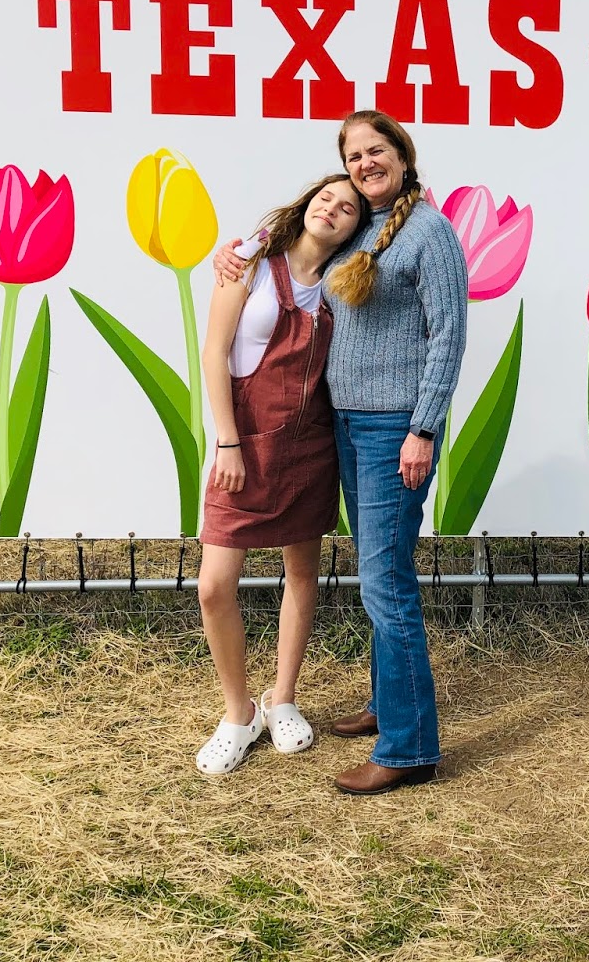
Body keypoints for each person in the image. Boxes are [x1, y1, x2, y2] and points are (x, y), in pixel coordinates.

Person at [215, 110, 468, 795]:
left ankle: (411, 748)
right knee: (375, 576)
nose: (363, 163)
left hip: (395, 430)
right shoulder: (362, 226)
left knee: (388, 585)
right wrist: (236, 249)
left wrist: (423, 427)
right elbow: (297, 232)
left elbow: (447, 336)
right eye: (353, 155)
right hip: (346, 424)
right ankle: (389, 706)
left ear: (402, 154)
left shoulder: (430, 232)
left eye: (374, 150)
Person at [194, 174, 367, 777]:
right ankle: (237, 712)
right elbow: (214, 353)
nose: (333, 209)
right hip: (243, 445)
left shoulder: (347, 284)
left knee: (302, 575)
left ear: (355, 226)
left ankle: (282, 699)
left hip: (310, 448)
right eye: (327, 197)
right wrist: (228, 441)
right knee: (215, 585)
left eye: (348, 208)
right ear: (308, 203)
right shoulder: (248, 265)